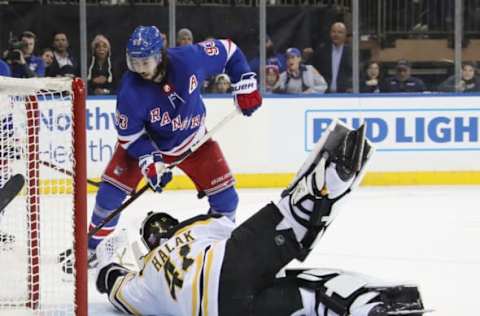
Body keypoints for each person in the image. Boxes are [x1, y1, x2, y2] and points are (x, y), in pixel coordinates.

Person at [95, 121, 427, 316]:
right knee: (288, 226)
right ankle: (322, 185)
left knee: (306, 299)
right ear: (171, 226)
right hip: (226, 266)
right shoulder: (197, 227)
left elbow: (111, 286)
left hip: (223, 313)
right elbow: (230, 219)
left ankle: (359, 309)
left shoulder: (144, 280)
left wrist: (110, 265)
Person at [79, 25, 262, 269]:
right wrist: (149, 161)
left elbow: (229, 51)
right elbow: (130, 136)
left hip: (192, 141)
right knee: (109, 196)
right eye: (135, 63)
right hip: (150, 142)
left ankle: (216, 250)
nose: (140, 70)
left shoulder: (190, 59)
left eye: (146, 62)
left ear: (160, 55)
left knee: (227, 201)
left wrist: (245, 83)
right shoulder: (129, 91)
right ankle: (92, 248)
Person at [312, 22, 353, 93]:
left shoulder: (351, 52)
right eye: (333, 31)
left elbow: (355, 73)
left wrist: (350, 86)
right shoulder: (322, 51)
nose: (336, 35)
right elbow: (314, 70)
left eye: (340, 32)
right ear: (330, 33)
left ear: (345, 35)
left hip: (345, 95)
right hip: (324, 93)